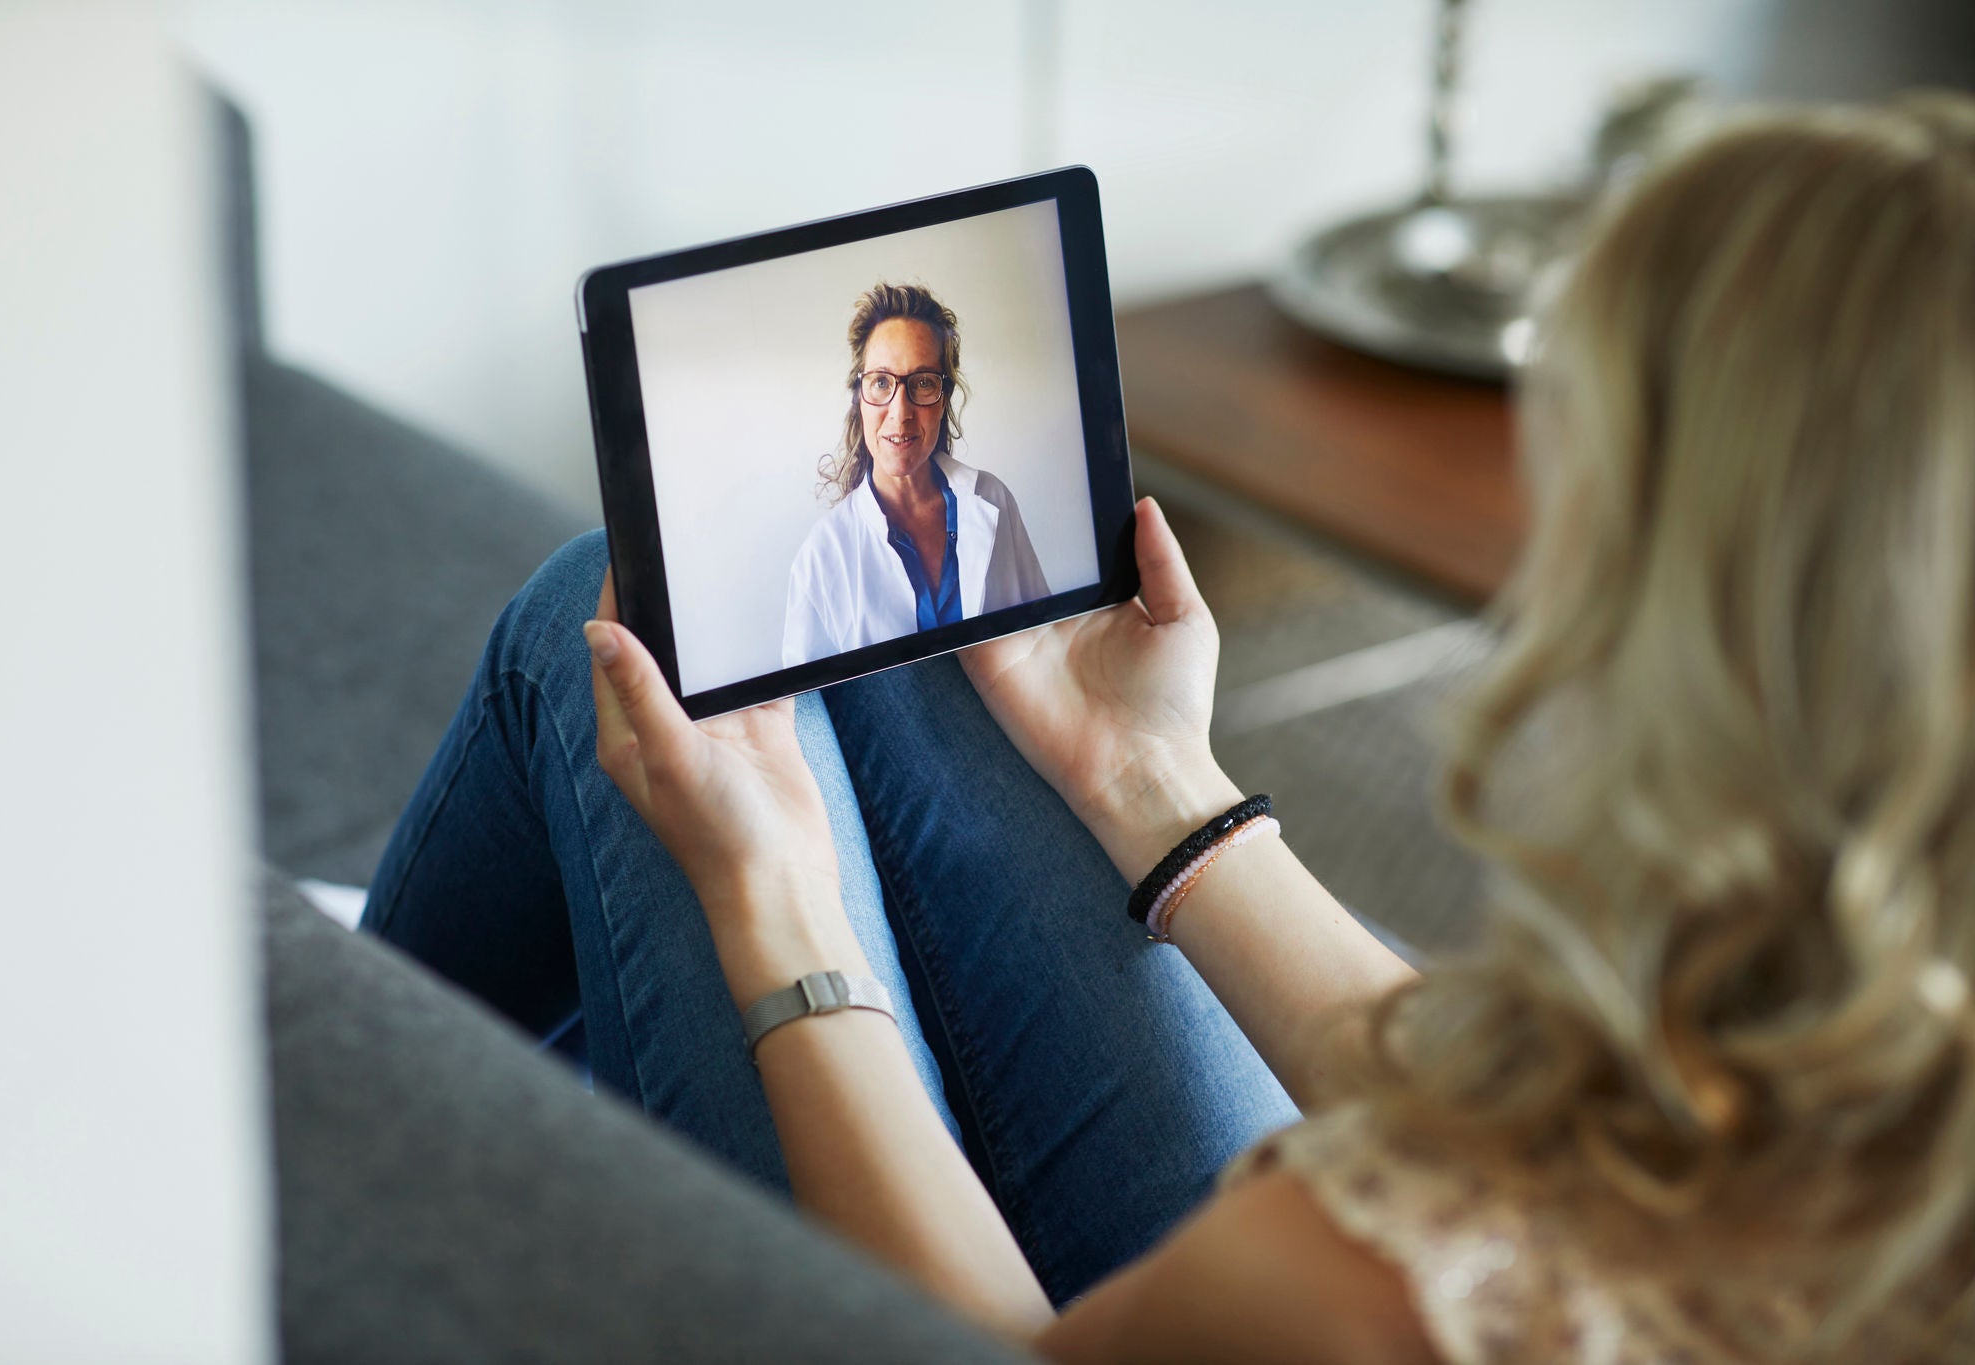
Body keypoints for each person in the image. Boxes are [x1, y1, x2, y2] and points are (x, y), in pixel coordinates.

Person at [366, 92, 1975, 1363]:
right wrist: (1159, 785)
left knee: (592, 627)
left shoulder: (1336, 1287)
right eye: (878, 390)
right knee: (882, 656)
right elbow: (1566, 1145)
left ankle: (331, 1124)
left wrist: (779, 915)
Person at [780, 282, 1049, 669]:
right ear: (860, 398)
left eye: (922, 382)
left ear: (944, 399)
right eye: (881, 382)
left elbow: (1047, 639)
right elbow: (807, 711)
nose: (900, 411)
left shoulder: (993, 500)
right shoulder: (822, 556)